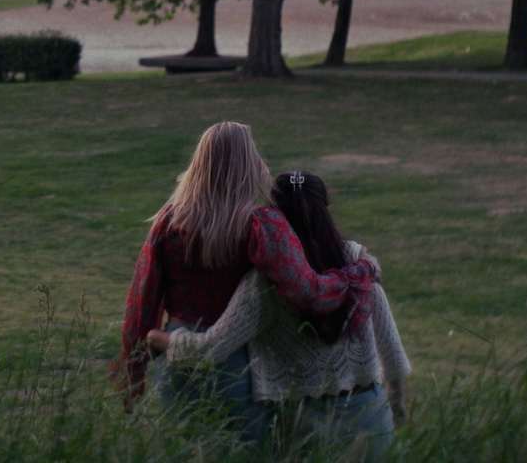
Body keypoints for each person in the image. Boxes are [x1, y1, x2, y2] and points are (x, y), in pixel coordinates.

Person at [114, 123, 381, 439]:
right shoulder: (262, 225)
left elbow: (142, 299)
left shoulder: (168, 221)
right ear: (249, 165)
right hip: (235, 361)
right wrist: (359, 271)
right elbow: (310, 293)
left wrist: (133, 370)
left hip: (174, 354)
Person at [151, 171, 410, 463]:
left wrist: (161, 339)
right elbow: (392, 350)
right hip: (370, 416)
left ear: (273, 217)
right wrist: (396, 406)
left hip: (306, 425)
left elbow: (212, 348)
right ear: (326, 207)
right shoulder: (359, 264)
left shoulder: (265, 282)